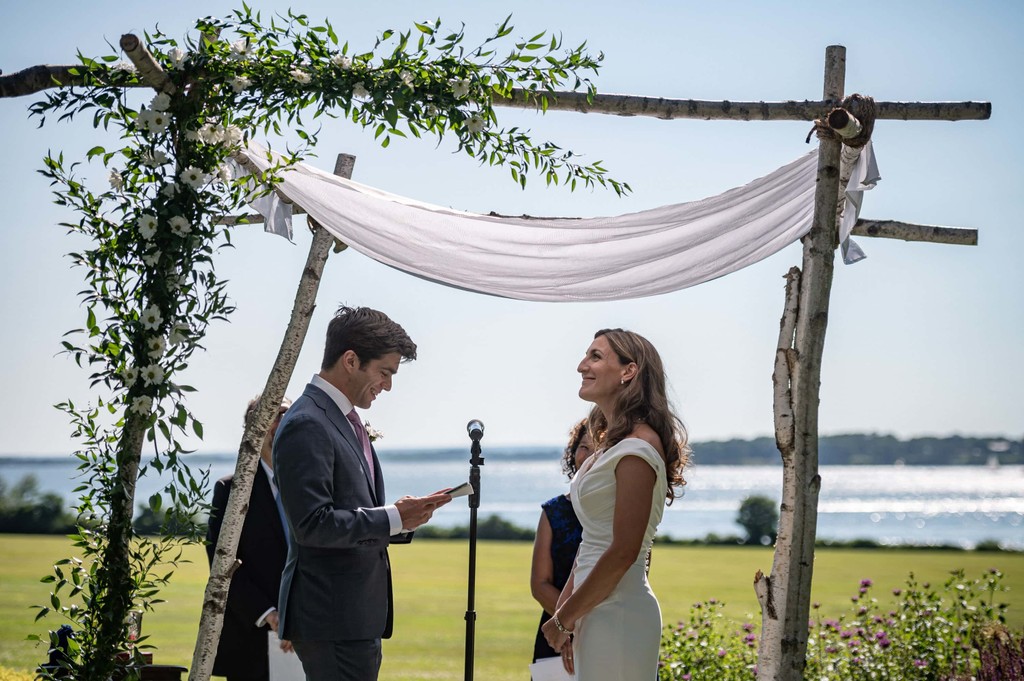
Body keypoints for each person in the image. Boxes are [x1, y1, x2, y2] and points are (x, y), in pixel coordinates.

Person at [273, 305, 452, 681]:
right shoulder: (307, 422)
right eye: (385, 372)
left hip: (354, 617)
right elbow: (313, 524)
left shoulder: (340, 418)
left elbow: (354, 512)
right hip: (331, 617)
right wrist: (392, 517)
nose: (388, 385)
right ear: (351, 360)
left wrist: (403, 521)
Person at [542, 328, 690, 679]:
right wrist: (566, 613)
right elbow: (591, 544)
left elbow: (624, 551)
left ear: (629, 371)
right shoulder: (609, 448)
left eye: (596, 356)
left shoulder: (637, 451)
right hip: (592, 608)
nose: (582, 366)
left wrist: (564, 619)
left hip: (619, 611)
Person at [206, 395, 294, 681]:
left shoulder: (310, 486)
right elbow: (222, 564)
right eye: (275, 414)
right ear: (253, 430)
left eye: (287, 414)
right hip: (251, 638)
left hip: (311, 633)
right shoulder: (231, 490)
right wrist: (270, 614)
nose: (282, 421)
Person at [530, 419, 593, 668]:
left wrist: (579, 623)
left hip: (608, 628)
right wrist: (564, 625)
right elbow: (539, 584)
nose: (588, 456)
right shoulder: (553, 511)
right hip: (556, 637)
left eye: (599, 448)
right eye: (583, 447)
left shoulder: (624, 511)